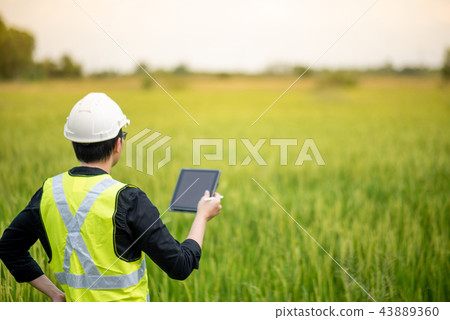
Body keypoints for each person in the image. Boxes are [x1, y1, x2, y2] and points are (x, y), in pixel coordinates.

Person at [0, 92, 222, 302]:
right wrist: (202, 216)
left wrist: (56, 295)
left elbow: (9, 247)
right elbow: (180, 265)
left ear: (74, 142)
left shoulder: (48, 192)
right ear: (118, 144)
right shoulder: (129, 199)